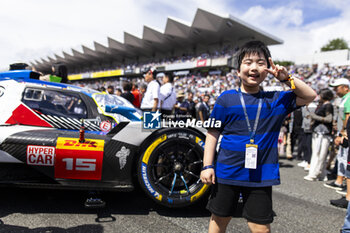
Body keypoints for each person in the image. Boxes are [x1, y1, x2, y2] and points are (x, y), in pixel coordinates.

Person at [200, 41, 316, 233]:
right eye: (248, 62)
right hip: (226, 172)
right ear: (238, 71)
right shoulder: (226, 99)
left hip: (261, 176)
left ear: (268, 69)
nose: (254, 67)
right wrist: (207, 166)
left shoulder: (277, 99)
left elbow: (310, 95)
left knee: (261, 227)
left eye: (261, 62)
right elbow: (212, 134)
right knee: (219, 219)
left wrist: (287, 79)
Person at [328, 78, 350, 208]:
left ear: (346, 87)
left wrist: (342, 134)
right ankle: (340, 183)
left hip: (345, 134)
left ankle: (347, 195)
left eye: (338, 87)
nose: (335, 90)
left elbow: (348, 117)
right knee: (342, 159)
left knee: (347, 162)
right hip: (342, 133)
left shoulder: (348, 98)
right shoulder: (344, 98)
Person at [304, 88, 334, 181]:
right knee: (317, 154)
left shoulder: (328, 105)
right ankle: (318, 173)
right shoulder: (323, 105)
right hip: (319, 132)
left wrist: (314, 116)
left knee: (320, 154)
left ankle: (316, 173)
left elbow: (329, 119)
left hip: (323, 133)